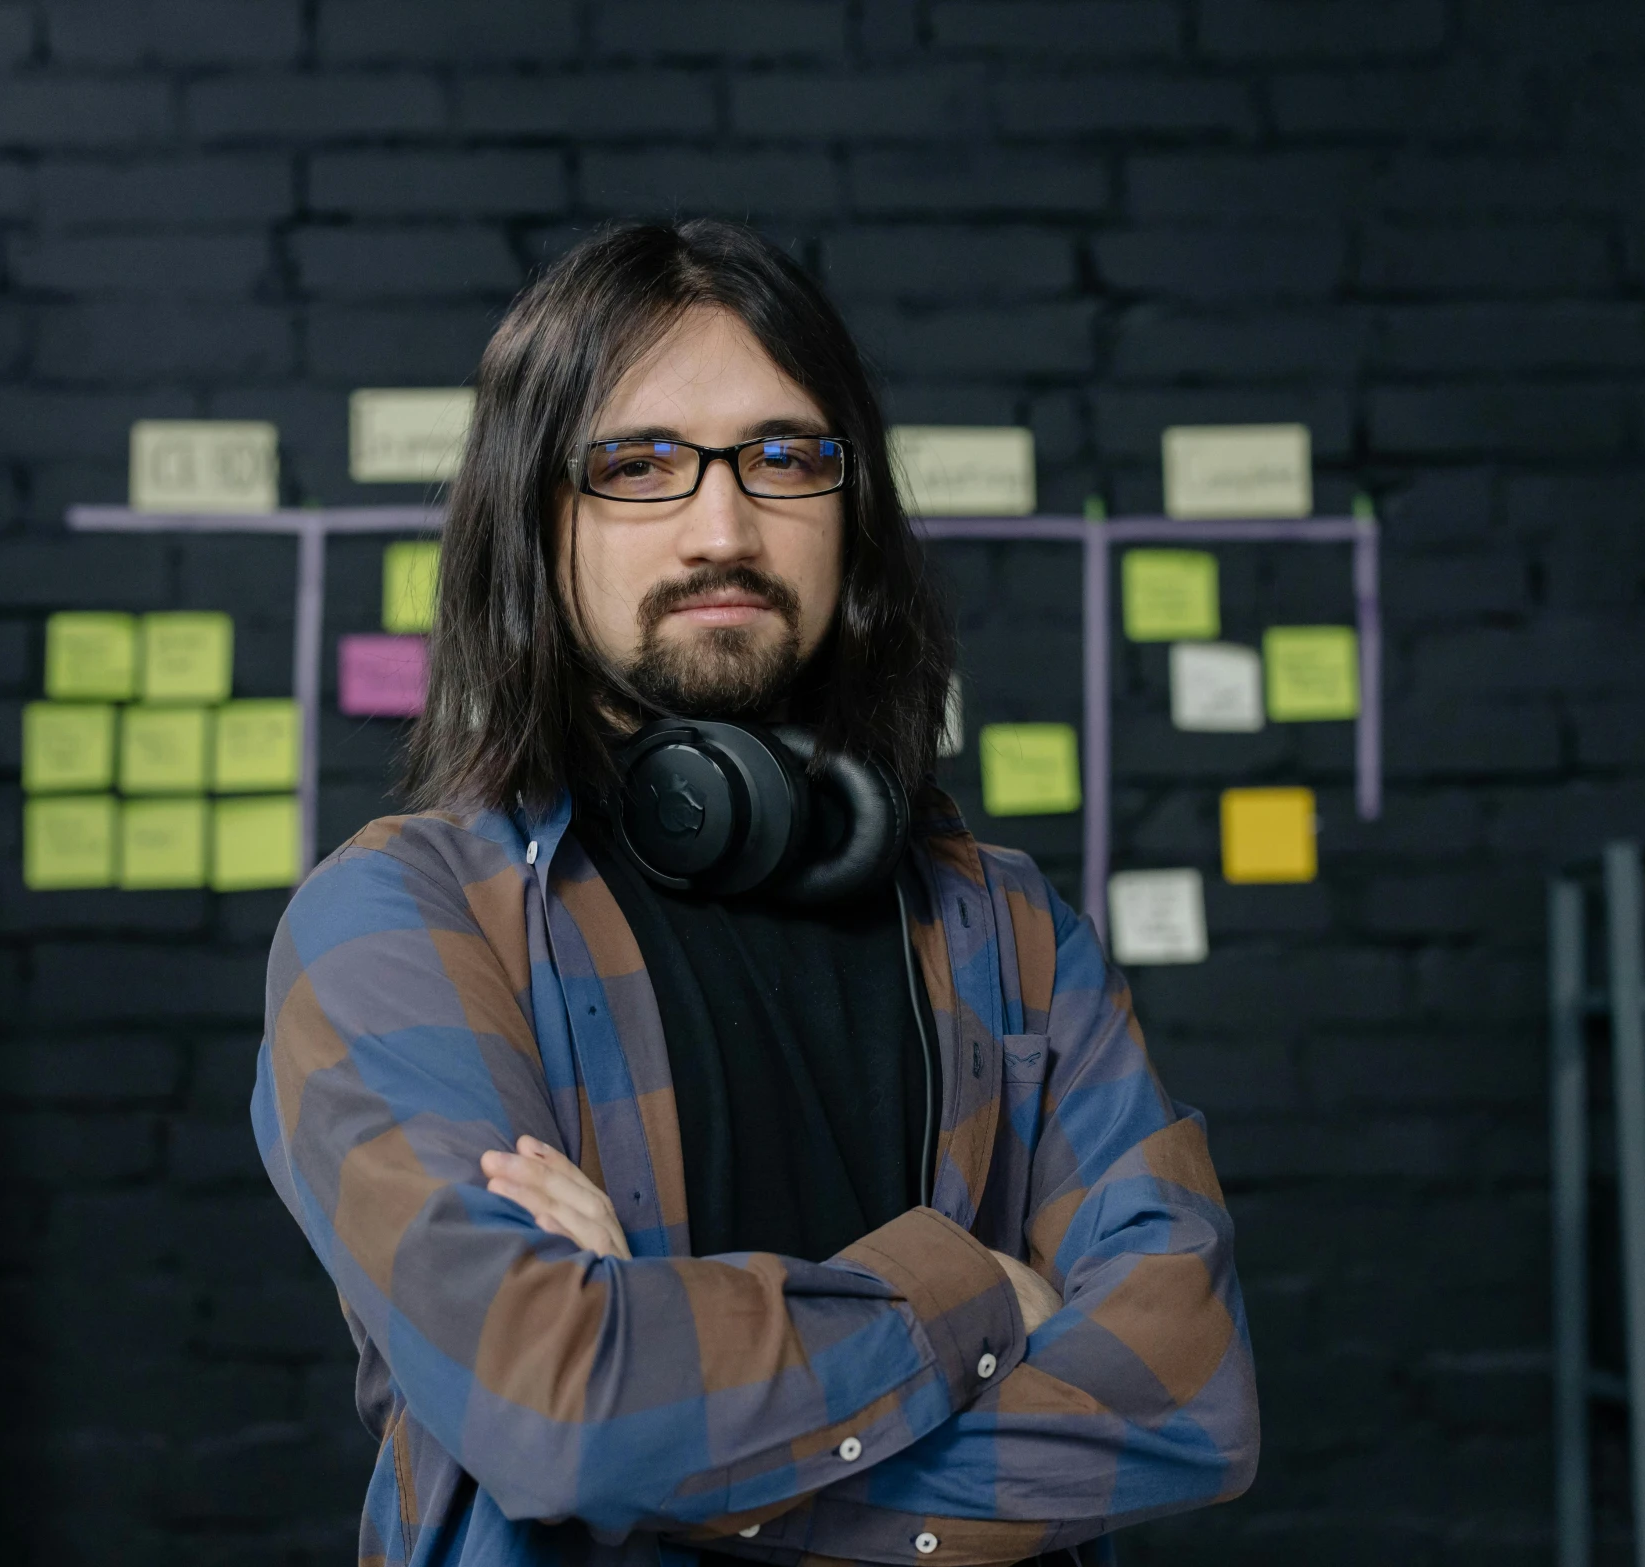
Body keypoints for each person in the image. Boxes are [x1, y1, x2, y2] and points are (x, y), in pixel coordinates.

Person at [252, 219, 1256, 1567]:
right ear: (531, 511)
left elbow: (1187, 1395)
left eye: (785, 457)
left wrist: (656, 1375)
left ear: (852, 510)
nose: (722, 526)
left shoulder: (1009, 929)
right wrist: (979, 1294)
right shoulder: (397, 924)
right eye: (639, 463)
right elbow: (559, 1410)